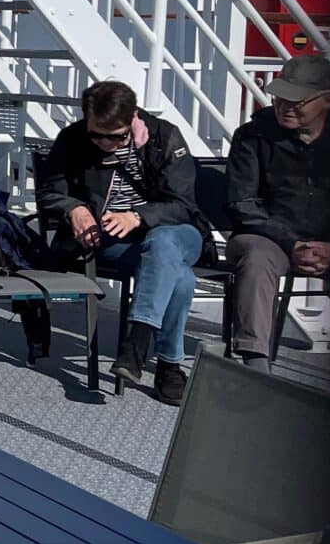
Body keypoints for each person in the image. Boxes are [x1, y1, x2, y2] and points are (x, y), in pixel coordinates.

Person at [38, 80, 209, 404]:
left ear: (132, 119)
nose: (104, 143)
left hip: (176, 230)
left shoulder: (164, 137)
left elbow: (184, 204)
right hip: (115, 240)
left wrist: (139, 215)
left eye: (115, 136)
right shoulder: (73, 140)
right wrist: (74, 209)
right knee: (180, 278)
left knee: (163, 241)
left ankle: (137, 343)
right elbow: (50, 192)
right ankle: (167, 367)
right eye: (96, 135)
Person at [224, 54, 330, 365]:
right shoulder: (252, 136)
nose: (284, 106)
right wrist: (293, 243)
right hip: (269, 237)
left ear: (329, 100)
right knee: (256, 256)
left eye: (297, 100)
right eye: (280, 97)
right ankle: (254, 364)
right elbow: (242, 203)